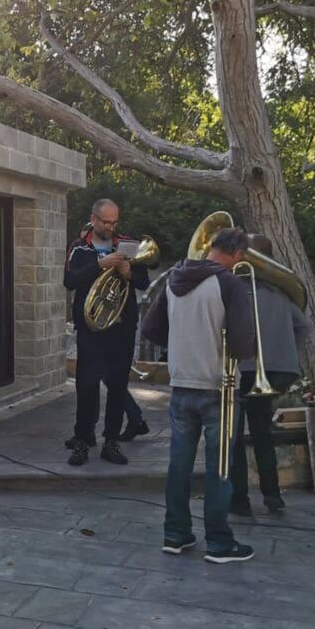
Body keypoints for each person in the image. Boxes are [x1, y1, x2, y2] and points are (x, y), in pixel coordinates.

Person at [141, 227, 256, 563]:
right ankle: (219, 542)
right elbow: (241, 346)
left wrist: (185, 339)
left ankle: (175, 534)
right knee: (219, 469)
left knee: (179, 465)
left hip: (181, 384)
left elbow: (150, 329)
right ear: (237, 254)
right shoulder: (229, 283)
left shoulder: (172, 278)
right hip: (218, 387)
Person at [64, 199, 151, 467]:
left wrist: (128, 272)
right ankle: (82, 439)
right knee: (87, 385)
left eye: (114, 222)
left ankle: (111, 441)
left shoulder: (127, 244)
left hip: (121, 327)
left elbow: (143, 282)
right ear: (94, 219)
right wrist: (100, 265)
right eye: (105, 222)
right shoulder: (80, 247)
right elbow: (70, 281)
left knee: (117, 385)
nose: (110, 227)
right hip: (90, 329)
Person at [229, 234, 308, 517]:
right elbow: (304, 327)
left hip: (244, 370)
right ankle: (272, 495)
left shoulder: (234, 291)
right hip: (278, 371)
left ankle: (239, 499)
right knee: (262, 432)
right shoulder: (282, 294)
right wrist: (287, 354)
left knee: (234, 436)